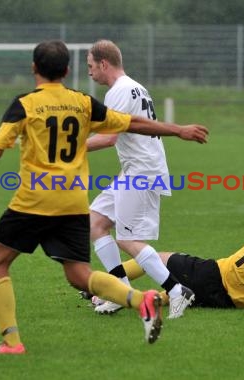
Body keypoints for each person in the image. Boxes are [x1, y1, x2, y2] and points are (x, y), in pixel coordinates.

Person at [0, 40, 209, 355]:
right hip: (74, 200)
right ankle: (133, 297)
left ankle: (12, 343)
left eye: (92, 66)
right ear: (66, 70)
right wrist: (178, 129)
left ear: (34, 68)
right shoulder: (84, 103)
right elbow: (133, 124)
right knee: (84, 263)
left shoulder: (25, 104)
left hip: (38, 198)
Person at [84, 40, 194, 318]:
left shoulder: (119, 91)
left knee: (127, 239)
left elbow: (109, 138)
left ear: (103, 63)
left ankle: (177, 291)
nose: (89, 72)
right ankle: (121, 293)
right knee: (95, 222)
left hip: (142, 171)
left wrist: (72, 146)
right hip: (134, 169)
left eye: (90, 66)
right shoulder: (134, 86)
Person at [116, 210, 244, 310]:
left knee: (158, 257)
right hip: (228, 304)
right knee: (178, 295)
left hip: (213, 275)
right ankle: (141, 300)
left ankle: (109, 282)